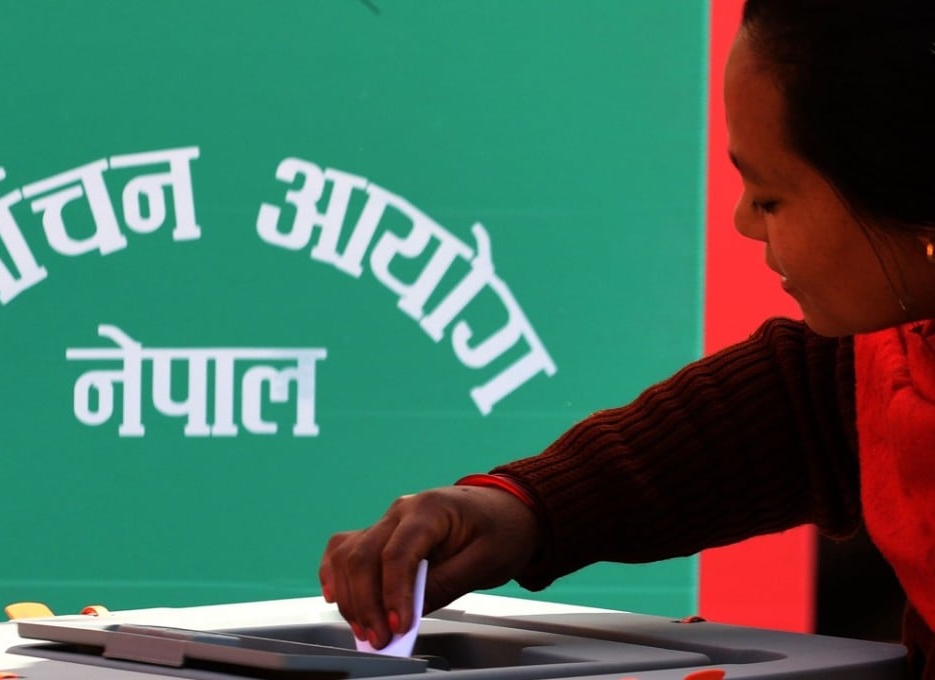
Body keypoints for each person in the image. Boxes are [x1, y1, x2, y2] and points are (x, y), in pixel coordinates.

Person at [319, 1, 935, 676]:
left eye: (769, 196)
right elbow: (794, 408)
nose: (744, 223)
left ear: (909, 194)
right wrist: (519, 511)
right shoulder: (890, 350)